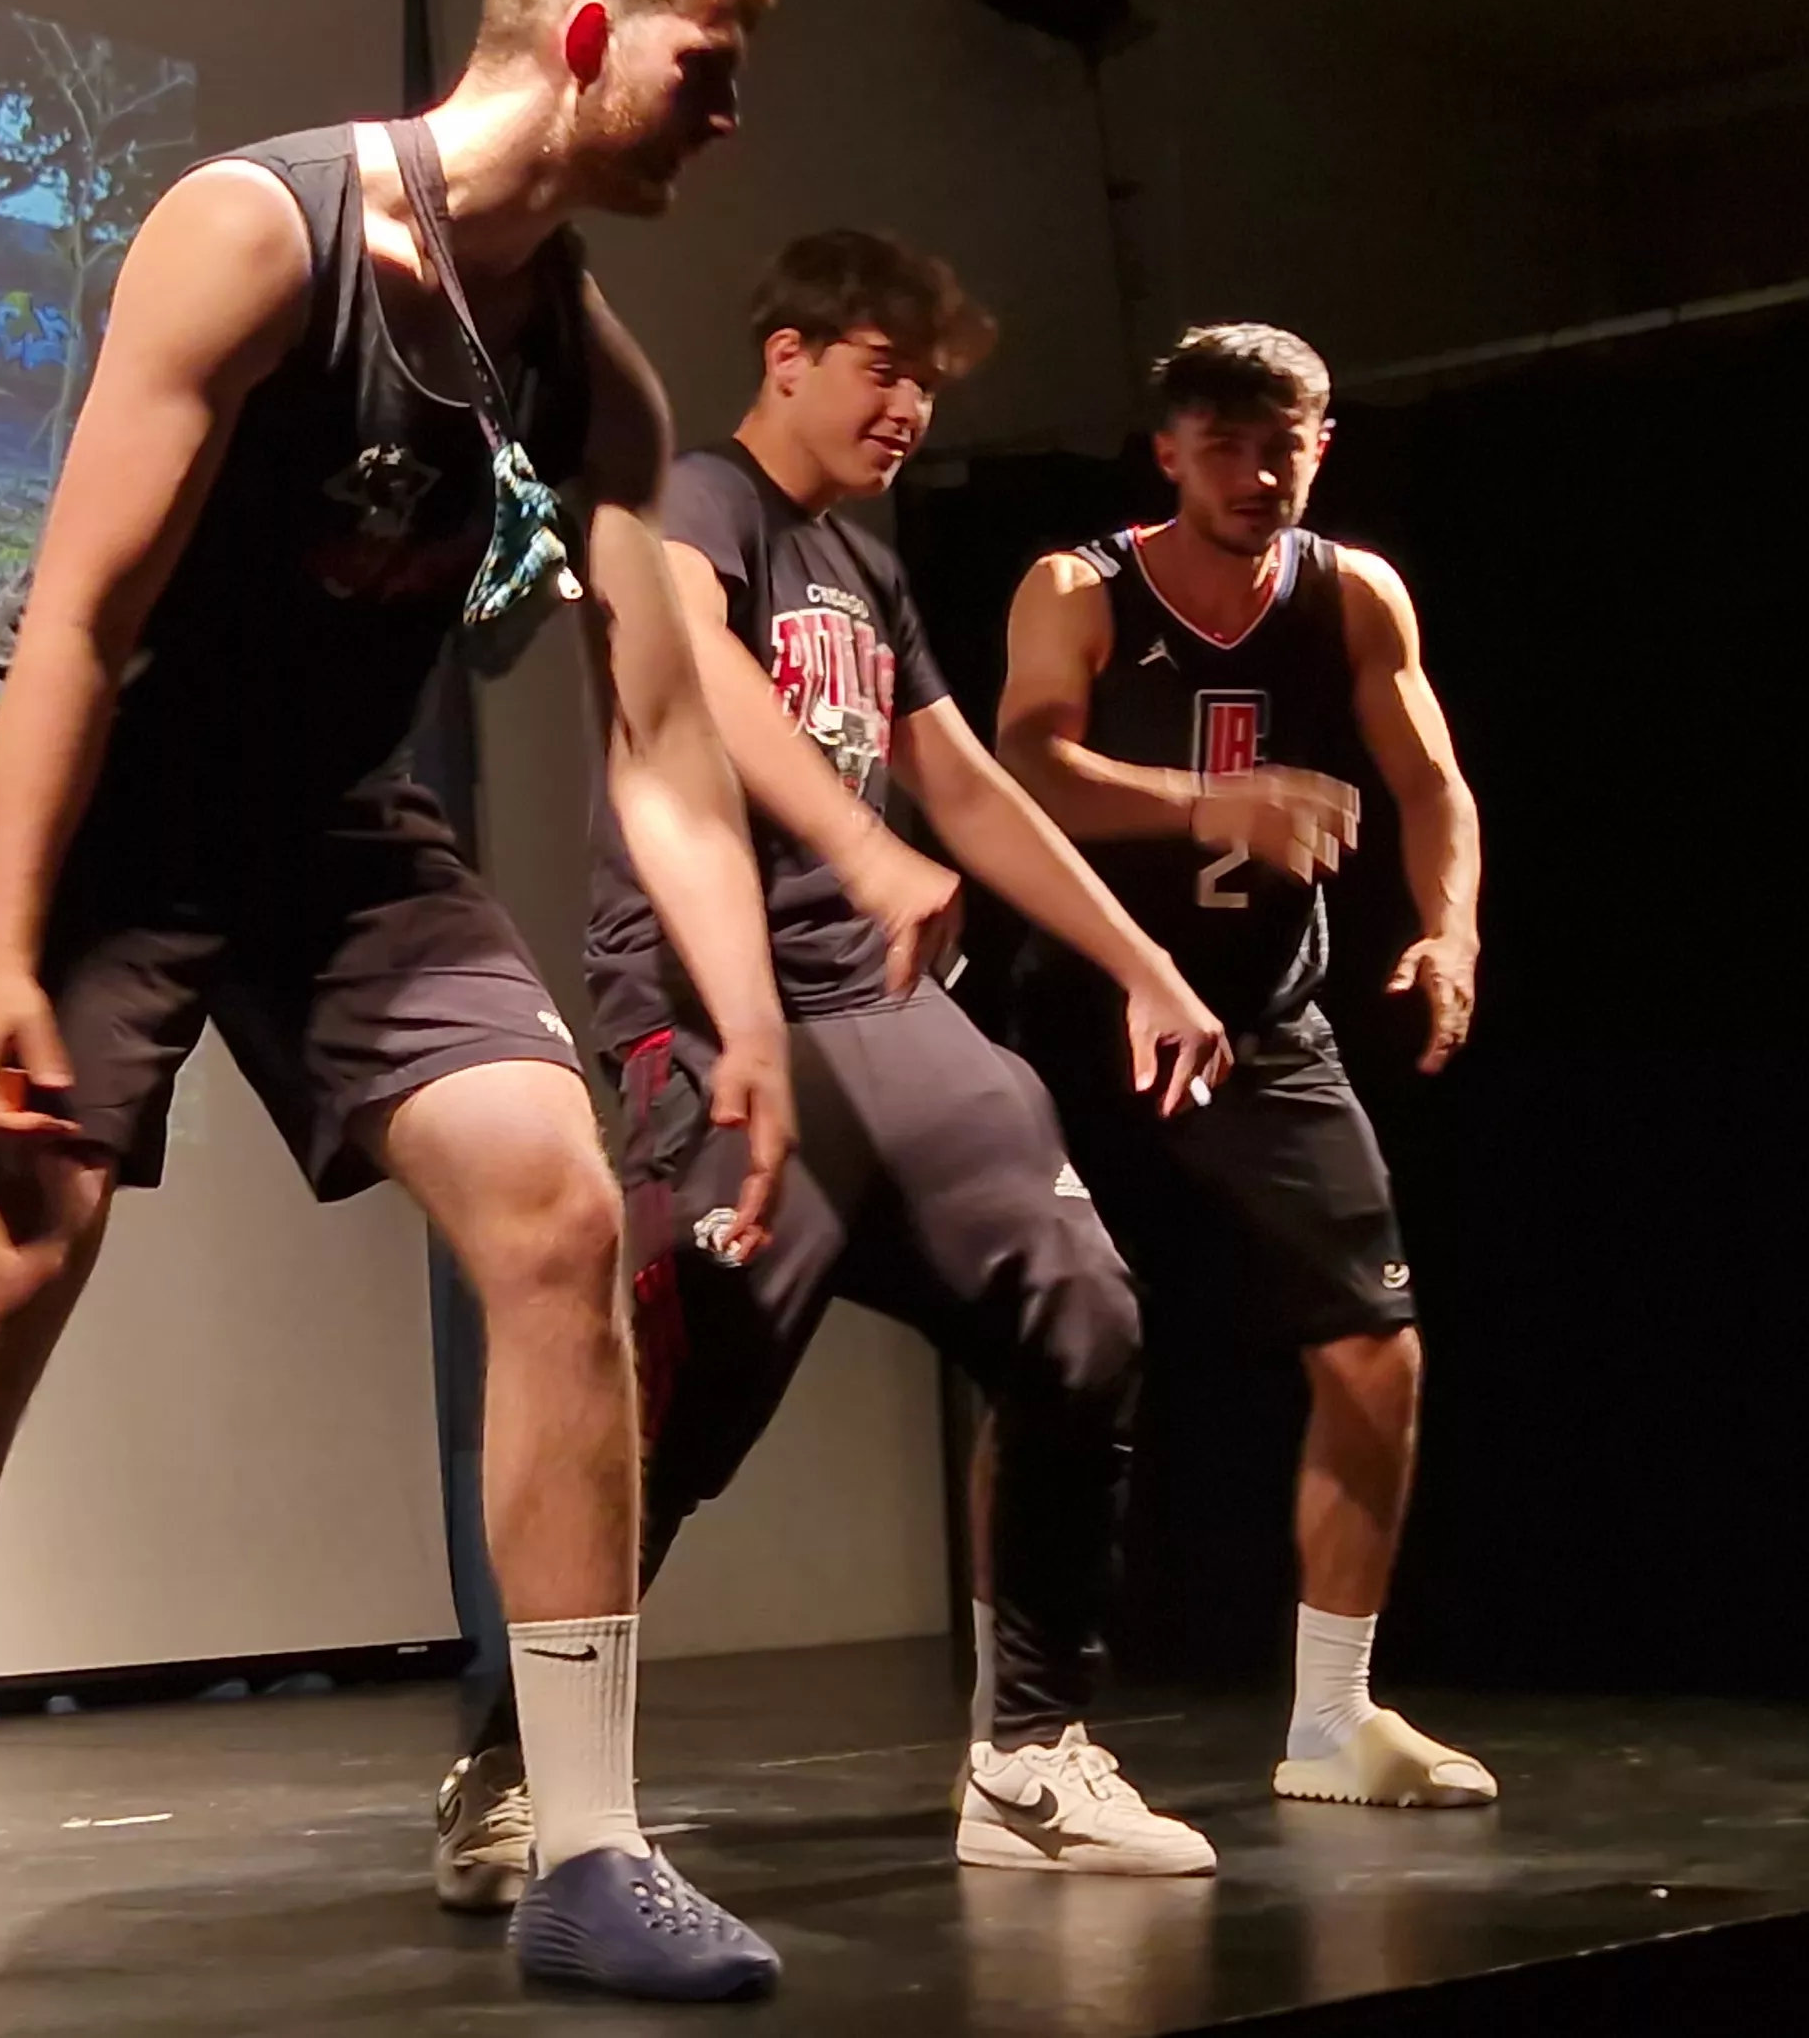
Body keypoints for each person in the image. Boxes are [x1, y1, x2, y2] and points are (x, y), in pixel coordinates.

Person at [0, 0, 807, 2034]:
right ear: (587, 38)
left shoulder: (587, 370)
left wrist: (751, 1014)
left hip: (327, 823)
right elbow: (83, 617)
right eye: (706, 73)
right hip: (102, 790)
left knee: (554, 1204)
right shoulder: (256, 230)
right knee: (8, 1270)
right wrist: (10, 933)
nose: (726, 121)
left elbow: (669, 753)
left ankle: (586, 1849)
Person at [431, 231, 1238, 1910]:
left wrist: (1140, 964)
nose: (912, 406)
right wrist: (856, 858)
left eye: (930, 381)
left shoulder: (863, 566)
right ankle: (519, 1769)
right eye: (886, 367)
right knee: (678, 1395)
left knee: (1084, 1314)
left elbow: (965, 787)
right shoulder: (696, 501)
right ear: (789, 354)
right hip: (717, 1010)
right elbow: (698, 670)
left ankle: (1027, 1757)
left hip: (889, 1025)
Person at [992, 321, 1495, 1811]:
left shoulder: (1351, 592)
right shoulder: (1079, 587)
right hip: (1085, 1018)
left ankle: (1333, 1719)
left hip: (1266, 1022)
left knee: (1373, 1348)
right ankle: (1009, 1723)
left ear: (1319, 445)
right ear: (1167, 453)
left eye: (1284, 443)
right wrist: (1222, 802)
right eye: (1223, 445)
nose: (1257, 472)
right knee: (1047, 1363)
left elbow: (1429, 779)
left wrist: (1450, 935)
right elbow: (1027, 768)